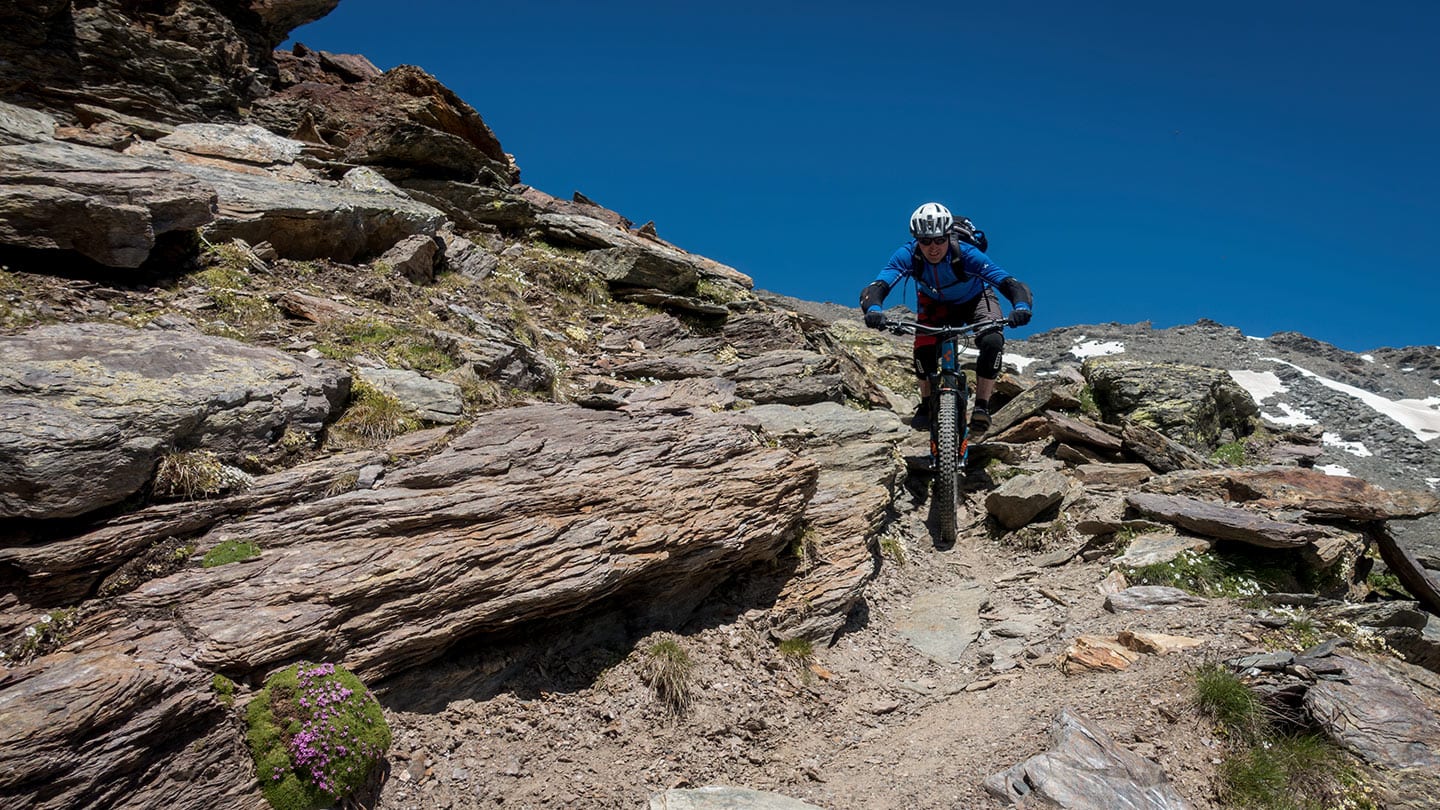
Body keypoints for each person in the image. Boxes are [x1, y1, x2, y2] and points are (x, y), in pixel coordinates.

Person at [859, 202, 1033, 433]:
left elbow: (1009, 283)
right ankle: (926, 404)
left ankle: (981, 405)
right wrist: (874, 311)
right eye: (925, 241)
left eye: (940, 240)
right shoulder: (907, 255)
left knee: (992, 340)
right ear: (916, 239)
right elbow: (878, 286)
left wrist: (1020, 307)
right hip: (935, 304)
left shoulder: (968, 254)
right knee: (923, 350)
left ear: (948, 236)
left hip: (976, 298)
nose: (933, 248)